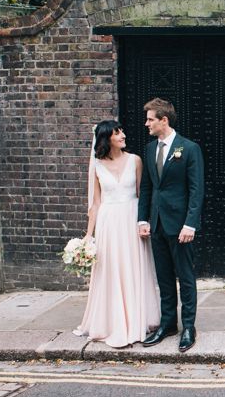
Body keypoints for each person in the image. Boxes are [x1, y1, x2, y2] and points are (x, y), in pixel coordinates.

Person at [74, 120, 160, 347]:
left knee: (133, 267)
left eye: (122, 130)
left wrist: (145, 221)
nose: (123, 135)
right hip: (109, 223)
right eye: (117, 132)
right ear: (106, 139)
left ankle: (137, 319)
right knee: (112, 270)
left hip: (131, 219)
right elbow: (95, 203)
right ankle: (113, 322)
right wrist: (88, 236)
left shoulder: (135, 161)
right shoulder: (97, 166)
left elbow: (143, 194)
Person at [138, 99, 204, 352]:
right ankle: (168, 325)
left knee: (185, 278)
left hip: (180, 226)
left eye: (150, 119)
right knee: (164, 278)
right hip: (156, 224)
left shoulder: (188, 148)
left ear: (163, 120)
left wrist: (191, 224)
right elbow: (147, 186)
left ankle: (189, 327)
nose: (147, 124)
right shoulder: (149, 148)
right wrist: (143, 219)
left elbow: (197, 189)